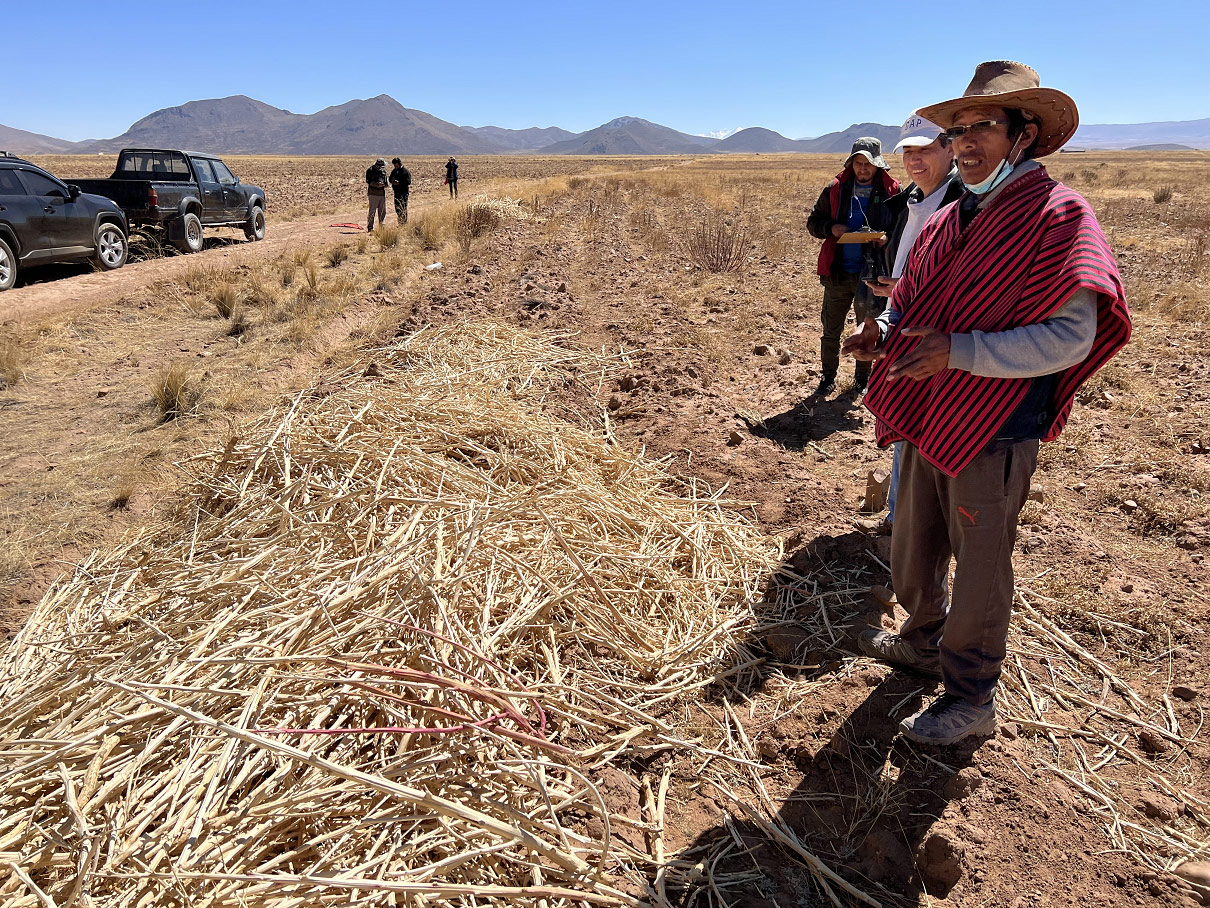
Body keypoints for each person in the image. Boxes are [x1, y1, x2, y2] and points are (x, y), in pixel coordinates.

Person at [848, 61, 1131, 744]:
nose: (965, 141)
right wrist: (884, 331)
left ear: (1024, 135)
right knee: (914, 540)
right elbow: (916, 300)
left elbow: (1072, 335)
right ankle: (920, 641)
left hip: (996, 427)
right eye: (958, 129)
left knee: (979, 565)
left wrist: (960, 352)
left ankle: (971, 695)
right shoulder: (950, 217)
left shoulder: (1059, 217)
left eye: (982, 127)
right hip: (926, 407)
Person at [849, 114, 965, 534]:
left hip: (940, 337)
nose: (915, 160)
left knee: (930, 430)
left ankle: (919, 527)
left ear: (950, 148)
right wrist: (886, 311)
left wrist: (907, 289)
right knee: (904, 427)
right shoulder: (911, 200)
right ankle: (901, 517)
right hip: (900, 320)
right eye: (908, 151)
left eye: (926, 149)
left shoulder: (964, 205)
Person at [806, 138, 900, 395]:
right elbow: (814, 222)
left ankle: (862, 380)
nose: (863, 168)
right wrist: (830, 228)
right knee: (831, 329)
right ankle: (827, 377)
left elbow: (902, 228)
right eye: (858, 163)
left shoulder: (893, 191)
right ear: (851, 163)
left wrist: (887, 238)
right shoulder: (835, 188)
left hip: (871, 275)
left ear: (878, 165)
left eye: (868, 163)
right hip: (838, 272)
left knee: (868, 328)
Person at [365, 157, 389, 231]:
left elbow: (386, 182)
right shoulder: (370, 170)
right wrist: (377, 185)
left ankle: (382, 226)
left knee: (382, 211)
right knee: (372, 211)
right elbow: (369, 182)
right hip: (373, 193)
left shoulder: (383, 172)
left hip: (381, 194)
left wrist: (385, 184)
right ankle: (370, 227)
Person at [389, 157, 412, 224]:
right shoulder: (394, 171)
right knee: (397, 208)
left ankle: (404, 222)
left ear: (399, 164)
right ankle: (400, 222)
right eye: (394, 165)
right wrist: (393, 181)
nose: (395, 166)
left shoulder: (405, 171)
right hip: (397, 192)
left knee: (403, 207)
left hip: (404, 193)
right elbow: (390, 179)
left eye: (396, 164)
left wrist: (399, 182)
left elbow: (408, 182)